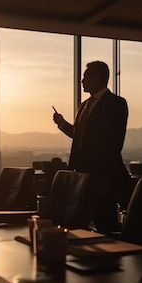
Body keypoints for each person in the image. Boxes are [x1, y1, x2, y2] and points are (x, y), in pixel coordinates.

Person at [52, 60, 130, 233]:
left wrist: (105, 176)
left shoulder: (116, 104)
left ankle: (111, 258)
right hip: (81, 173)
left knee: (105, 222)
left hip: (101, 174)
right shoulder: (84, 105)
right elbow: (80, 136)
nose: (82, 81)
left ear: (97, 77)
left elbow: (115, 142)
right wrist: (63, 124)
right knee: (80, 223)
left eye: (85, 76)